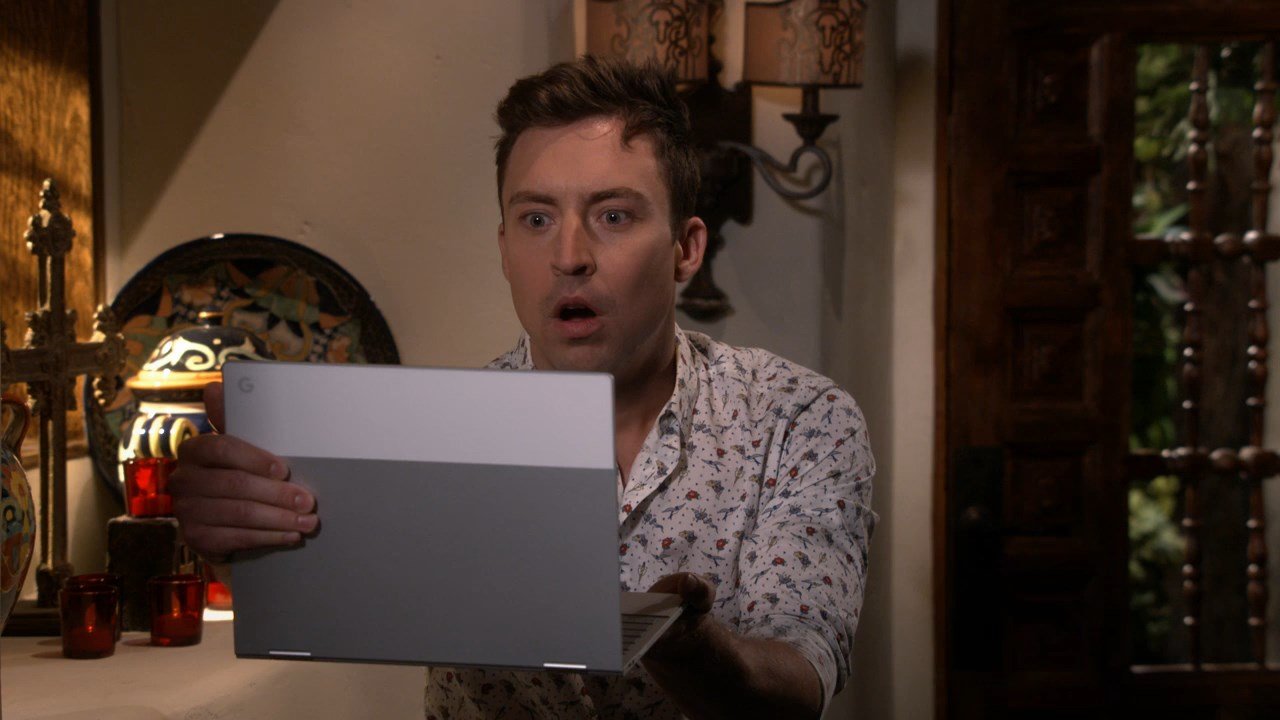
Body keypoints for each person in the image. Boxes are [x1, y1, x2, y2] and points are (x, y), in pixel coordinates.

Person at [170, 56, 875, 720]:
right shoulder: (429, 438)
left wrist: (685, 644)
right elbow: (326, 587)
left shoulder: (798, 418)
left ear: (686, 248)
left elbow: (798, 682)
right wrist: (252, 545)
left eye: (614, 216)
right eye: (537, 220)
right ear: (505, 248)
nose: (568, 257)